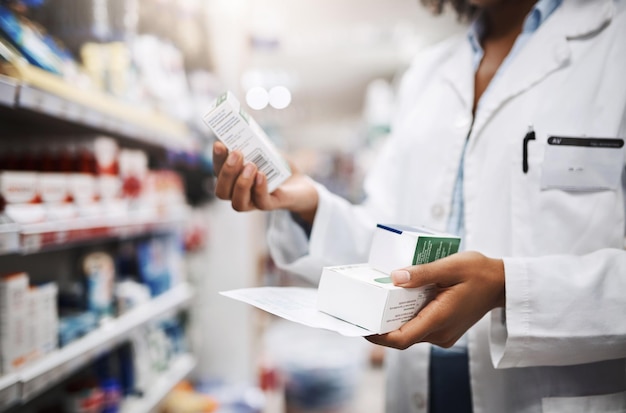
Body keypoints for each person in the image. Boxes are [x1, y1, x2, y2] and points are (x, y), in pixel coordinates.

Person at [212, 0, 626, 411]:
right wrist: (311, 208)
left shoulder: (614, 43)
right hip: (419, 385)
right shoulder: (426, 74)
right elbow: (387, 239)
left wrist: (508, 287)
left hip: (554, 394)